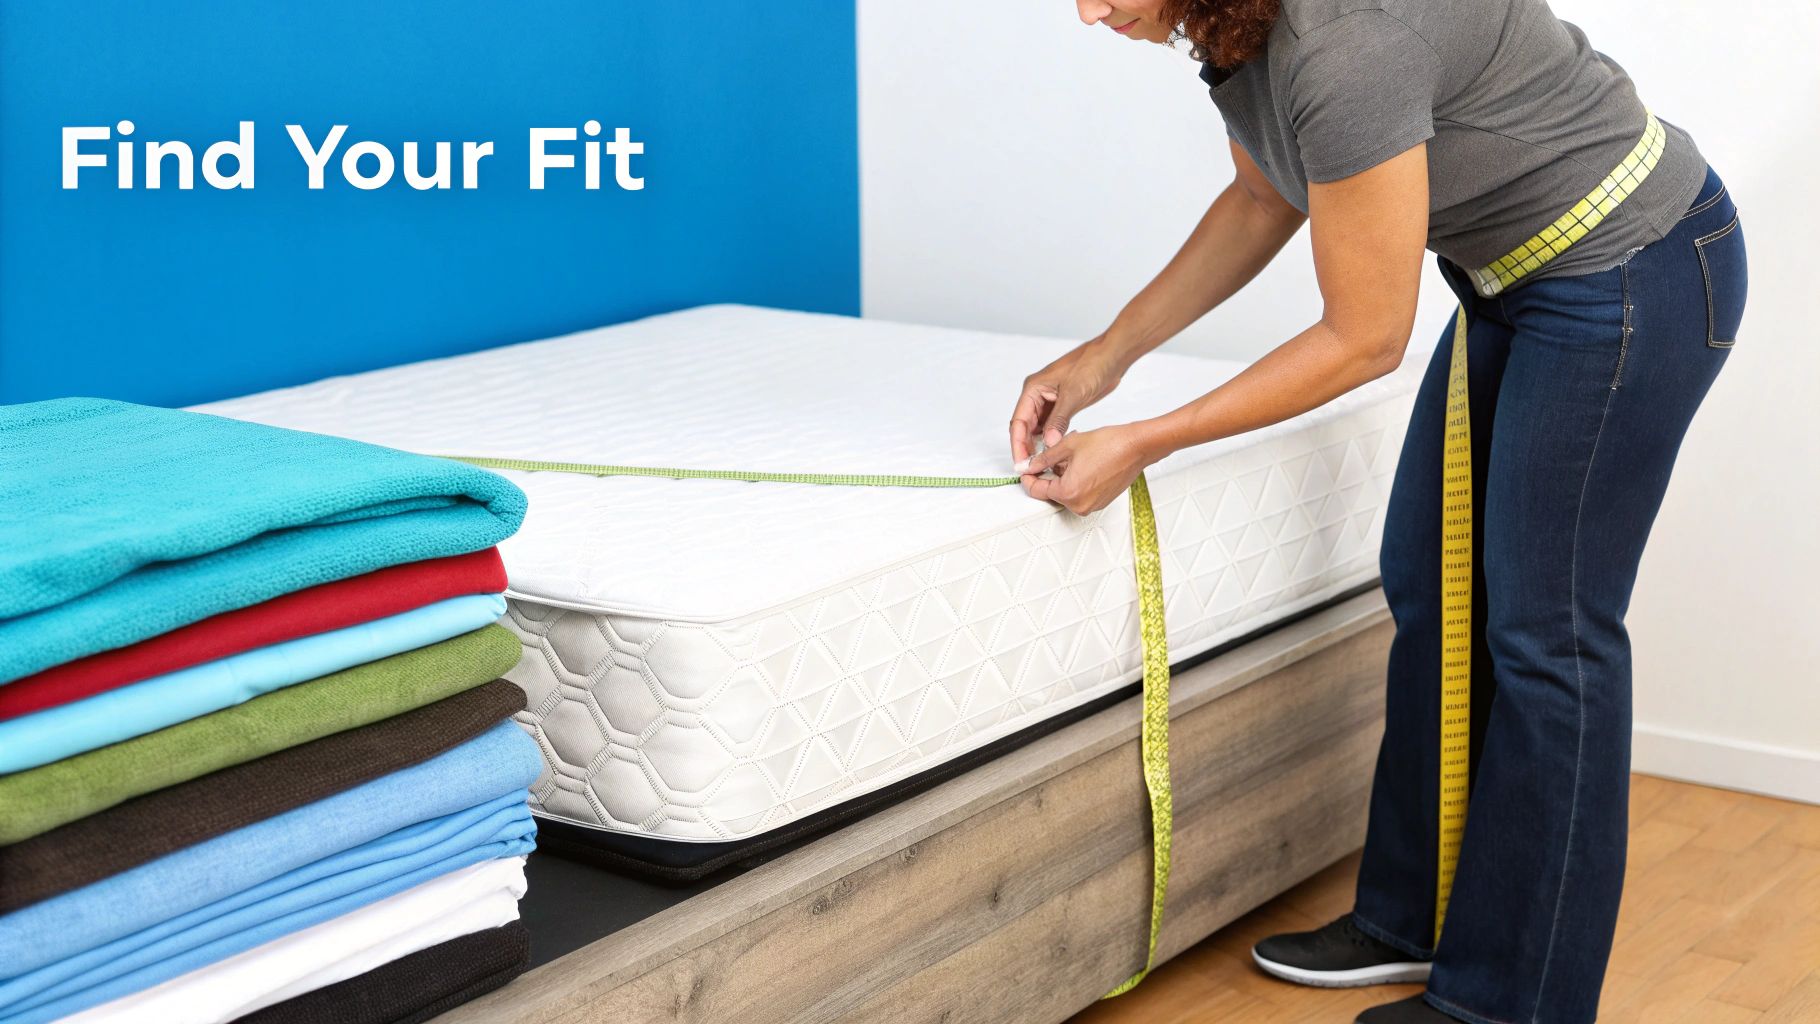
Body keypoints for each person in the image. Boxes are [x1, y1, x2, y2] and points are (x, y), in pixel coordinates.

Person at [1009, 2, 1747, 1022]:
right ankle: (1412, 916)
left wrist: (1144, 438)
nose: (1087, 9)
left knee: (1548, 636)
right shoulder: (1244, 25)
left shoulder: (1344, 39)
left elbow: (1362, 338)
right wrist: (1103, 357)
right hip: (1514, 280)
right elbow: (1261, 197)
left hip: (1625, 269)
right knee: (1428, 577)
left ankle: (1510, 1002)